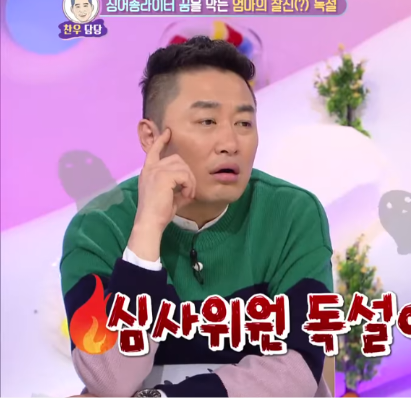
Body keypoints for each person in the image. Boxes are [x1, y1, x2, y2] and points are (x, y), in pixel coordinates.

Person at [60, 36, 334, 398]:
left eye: (244, 123)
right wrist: (146, 234)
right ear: (151, 136)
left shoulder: (293, 214)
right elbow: (109, 380)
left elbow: (298, 368)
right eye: (207, 121)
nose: (230, 143)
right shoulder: (97, 227)